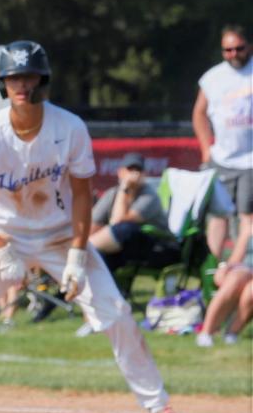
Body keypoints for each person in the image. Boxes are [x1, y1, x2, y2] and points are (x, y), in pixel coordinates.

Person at [0, 40, 204, 413]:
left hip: (61, 236)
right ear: (3, 84)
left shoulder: (68, 128)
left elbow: (83, 196)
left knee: (117, 314)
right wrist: (1, 250)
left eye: (29, 76)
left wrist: (80, 253)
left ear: (42, 79)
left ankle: (162, 412)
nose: (22, 85)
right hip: (3, 238)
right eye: (13, 77)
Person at [191, 24, 253, 259]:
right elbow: (199, 113)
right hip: (223, 160)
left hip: (250, 161)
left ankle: (239, 267)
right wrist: (207, 149)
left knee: (248, 217)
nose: (233, 54)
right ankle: (213, 268)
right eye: (228, 50)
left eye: (239, 48)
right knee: (218, 216)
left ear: (249, 46)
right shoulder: (212, 78)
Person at [89, 152, 177, 285]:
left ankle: (84, 252)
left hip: (156, 249)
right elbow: (93, 225)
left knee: (125, 229)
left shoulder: (149, 196)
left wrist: (124, 189)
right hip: (121, 249)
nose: (134, 174)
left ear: (144, 175)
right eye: (130, 170)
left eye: (138, 170)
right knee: (98, 259)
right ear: (120, 172)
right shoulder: (111, 194)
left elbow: (117, 222)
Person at [197, 215, 252, 347]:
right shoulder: (250, 223)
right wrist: (225, 268)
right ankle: (206, 332)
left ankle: (231, 333)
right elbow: (237, 254)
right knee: (234, 280)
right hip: (245, 268)